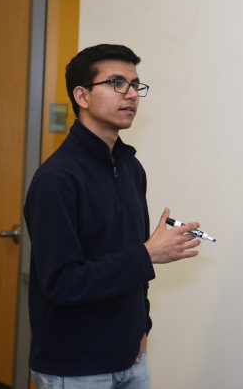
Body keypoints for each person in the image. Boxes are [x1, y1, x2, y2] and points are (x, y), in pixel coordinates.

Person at [24, 44, 202, 388]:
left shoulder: (131, 168)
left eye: (136, 85)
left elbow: (131, 265)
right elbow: (62, 283)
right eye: (117, 83)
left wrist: (142, 326)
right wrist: (148, 254)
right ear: (82, 96)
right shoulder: (56, 179)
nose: (132, 94)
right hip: (76, 367)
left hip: (131, 358)